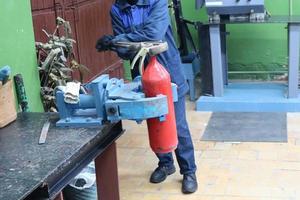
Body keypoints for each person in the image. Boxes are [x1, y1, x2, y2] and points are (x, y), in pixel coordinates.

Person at [96, 0, 198, 194]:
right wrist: (120, 43)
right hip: (143, 73)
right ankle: (166, 164)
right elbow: (125, 52)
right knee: (154, 120)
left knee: (177, 124)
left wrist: (116, 41)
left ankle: (189, 171)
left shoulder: (157, 2)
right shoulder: (117, 9)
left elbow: (153, 35)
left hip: (168, 70)